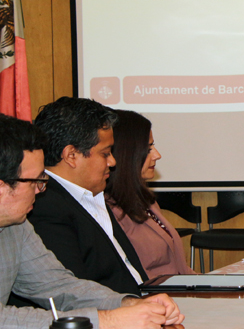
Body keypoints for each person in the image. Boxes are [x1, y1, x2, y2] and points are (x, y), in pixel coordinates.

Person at [0, 114, 184, 329]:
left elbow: (57, 285)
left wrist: (130, 303)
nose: (41, 191)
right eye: (36, 182)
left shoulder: (17, 225)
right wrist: (108, 321)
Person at [27, 97, 147, 295]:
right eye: (105, 153)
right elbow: (72, 292)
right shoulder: (45, 206)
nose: (113, 162)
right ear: (71, 155)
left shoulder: (90, 193)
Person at [105, 110, 194, 277]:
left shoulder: (145, 201)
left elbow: (179, 269)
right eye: (148, 149)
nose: (157, 155)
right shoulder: (108, 212)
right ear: (126, 154)